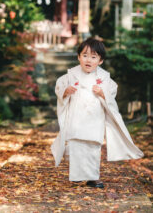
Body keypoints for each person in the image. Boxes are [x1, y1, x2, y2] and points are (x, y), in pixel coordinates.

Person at [51, 38, 144, 188]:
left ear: (100, 61)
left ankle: (93, 177)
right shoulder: (71, 75)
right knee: (76, 145)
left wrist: (102, 92)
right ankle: (77, 175)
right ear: (78, 57)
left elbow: (112, 92)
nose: (89, 60)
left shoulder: (104, 78)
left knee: (93, 148)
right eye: (85, 55)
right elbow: (59, 87)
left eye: (93, 57)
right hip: (76, 117)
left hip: (94, 118)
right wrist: (65, 91)